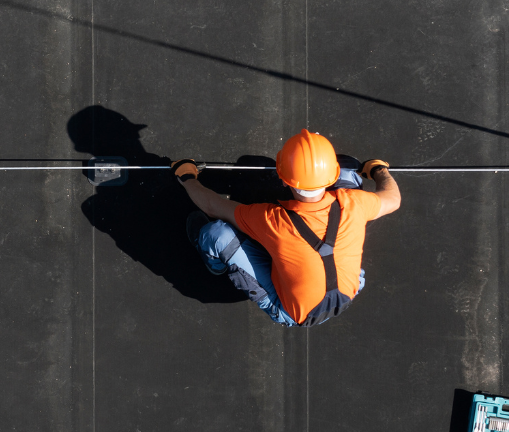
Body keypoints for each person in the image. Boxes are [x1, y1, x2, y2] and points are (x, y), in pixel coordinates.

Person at [171, 129, 400, 326]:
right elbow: (393, 199)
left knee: (216, 235)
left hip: (293, 312)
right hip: (347, 292)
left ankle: (215, 263)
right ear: (331, 177)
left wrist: (187, 177)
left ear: (282, 179)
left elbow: (212, 206)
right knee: (351, 174)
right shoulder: (356, 203)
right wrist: (378, 170)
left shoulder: (271, 220)